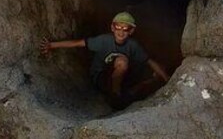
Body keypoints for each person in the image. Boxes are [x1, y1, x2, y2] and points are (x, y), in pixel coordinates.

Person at [40, 12, 170, 108]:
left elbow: (149, 61)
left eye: (126, 29)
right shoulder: (103, 40)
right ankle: (115, 95)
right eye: (118, 27)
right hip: (100, 76)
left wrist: (168, 80)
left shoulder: (133, 45)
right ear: (112, 27)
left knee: (141, 82)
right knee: (122, 62)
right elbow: (78, 43)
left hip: (120, 78)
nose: (121, 31)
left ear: (131, 31)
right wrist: (51, 45)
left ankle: (123, 95)